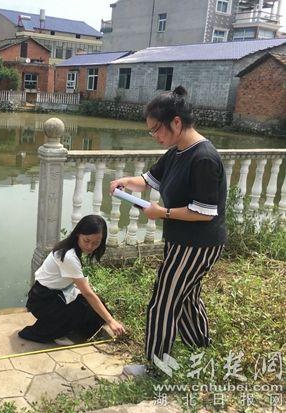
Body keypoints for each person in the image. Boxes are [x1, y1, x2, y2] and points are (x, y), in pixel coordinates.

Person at [110, 86, 227, 376]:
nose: (155, 136)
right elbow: (149, 180)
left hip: (197, 244)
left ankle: (157, 368)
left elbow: (204, 212)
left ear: (176, 122)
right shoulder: (176, 152)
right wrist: (125, 182)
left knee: (162, 303)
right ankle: (200, 346)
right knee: (186, 297)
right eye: (151, 132)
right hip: (182, 241)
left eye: (156, 130)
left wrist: (161, 213)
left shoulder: (203, 158)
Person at [19, 214, 126, 345]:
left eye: (96, 243)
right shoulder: (69, 256)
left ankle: (65, 328)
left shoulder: (72, 248)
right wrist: (111, 321)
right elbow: (87, 293)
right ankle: (55, 332)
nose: (90, 246)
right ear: (78, 234)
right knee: (82, 308)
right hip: (42, 300)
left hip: (55, 294)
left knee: (95, 307)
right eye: (87, 241)